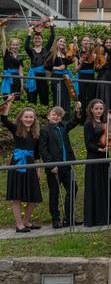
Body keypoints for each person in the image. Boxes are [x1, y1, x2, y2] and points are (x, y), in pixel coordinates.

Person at [1, 95, 42, 232]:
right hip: (18, 163)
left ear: (34, 119)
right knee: (17, 197)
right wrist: (9, 103)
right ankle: (19, 225)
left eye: (31, 117)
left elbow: (36, 154)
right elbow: (4, 119)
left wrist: (38, 169)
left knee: (34, 196)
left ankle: (26, 221)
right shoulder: (16, 129)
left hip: (31, 164)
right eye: (26, 117)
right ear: (21, 118)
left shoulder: (36, 133)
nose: (29, 119)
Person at [39, 102, 82, 229]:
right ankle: (55, 219)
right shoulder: (44, 130)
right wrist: (50, 165)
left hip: (66, 165)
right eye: (54, 115)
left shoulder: (63, 126)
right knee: (54, 193)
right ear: (48, 116)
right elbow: (43, 149)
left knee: (73, 189)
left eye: (59, 115)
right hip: (54, 167)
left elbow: (74, 121)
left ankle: (69, 218)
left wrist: (77, 110)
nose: (56, 117)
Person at [83, 99, 111, 226]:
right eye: (96, 109)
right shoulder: (88, 124)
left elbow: (110, 136)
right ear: (91, 109)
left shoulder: (104, 123)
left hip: (104, 158)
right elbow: (88, 144)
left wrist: (110, 121)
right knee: (94, 186)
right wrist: (101, 149)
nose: (99, 111)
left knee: (104, 185)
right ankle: (94, 219)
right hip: (94, 158)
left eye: (101, 109)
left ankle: (106, 217)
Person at [24, 23, 55, 105]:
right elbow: (26, 46)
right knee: (31, 100)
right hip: (33, 77)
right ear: (33, 40)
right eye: (35, 38)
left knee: (44, 100)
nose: (37, 40)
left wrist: (51, 25)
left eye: (39, 38)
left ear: (42, 40)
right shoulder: (31, 51)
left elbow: (52, 37)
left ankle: (44, 116)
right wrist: (29, 33)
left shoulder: (46, 49)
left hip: (43, 77)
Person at [44, 36, 74, 113]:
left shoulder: (66, 54)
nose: (62, 43)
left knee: (66, 97)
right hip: (56, 78)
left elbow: (72, 58)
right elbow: (45, 66)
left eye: (64, 42)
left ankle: (66, 118)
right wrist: (57, 68)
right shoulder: (52, 53)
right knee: (58, 97)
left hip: (66, 78)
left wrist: (74, 44)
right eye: (60, 41)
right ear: (56, 42)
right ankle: (57, 115)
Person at [1, 26, 24, 97]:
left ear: (19, 46)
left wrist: (22, 85)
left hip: (17, 80)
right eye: (13, 45)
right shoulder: (6, 54)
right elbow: (3, 41)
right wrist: (2, 30)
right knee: (7, 100)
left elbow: (21, 72)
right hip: (8, 79)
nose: (15, 46)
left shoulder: (20, 57)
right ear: (10, 46)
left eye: (17, 45)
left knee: (15, 99)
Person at [95, 38, 111, 114]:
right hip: (101, 75)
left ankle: (108, 113)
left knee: (108, 96)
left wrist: (102, 44)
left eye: (110, 42)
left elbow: (110, 53)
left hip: (109, 76)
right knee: (101, 94)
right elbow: (96, 69)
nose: (108, 44)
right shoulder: (100, 53)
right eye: (106, 42)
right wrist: (97, 67)